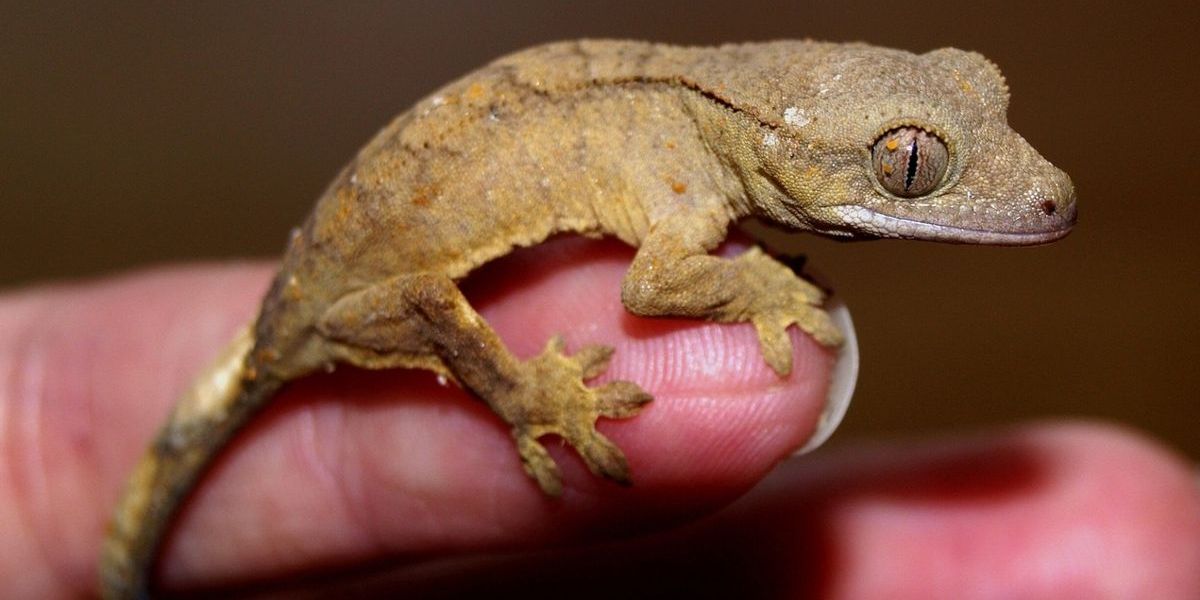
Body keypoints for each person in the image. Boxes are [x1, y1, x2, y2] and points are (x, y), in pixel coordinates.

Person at [3, 238, 1198, 598]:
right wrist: (752, 290)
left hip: (337, 271)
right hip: (354, 297)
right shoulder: (688, 191)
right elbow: (658, 285)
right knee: (435, 310)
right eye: (907, 169)